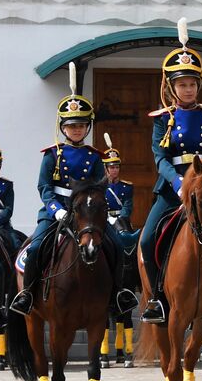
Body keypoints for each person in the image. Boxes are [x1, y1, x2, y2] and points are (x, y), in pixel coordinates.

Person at [11, 71, 135, 316]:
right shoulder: (52, 155)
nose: (76, 130)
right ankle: (27, 294)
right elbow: (44, 188)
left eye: (81, 125)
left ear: (87, 127)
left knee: (117, 246)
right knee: (35, 248)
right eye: (71, 125)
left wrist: (107, 214)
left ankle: (117, 293)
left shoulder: (94, 156)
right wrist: (56, 211)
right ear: (63, 128)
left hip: (88, 213)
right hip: (56, 211)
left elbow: (102, 188)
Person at [137, 22, 202, 325]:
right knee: (148, 239)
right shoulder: (163, 119)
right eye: (182, 84)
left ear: (198, 86)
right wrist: (178, 183)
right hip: (172, 189)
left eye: (192, 83)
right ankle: (155, 299)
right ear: (171, 88)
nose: (187, 89)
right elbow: (159, 157)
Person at [100, 135, 135, 231]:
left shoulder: (127, 187)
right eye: (112, 167)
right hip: (104, 221)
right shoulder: (100, 187)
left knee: (129, 241)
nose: (115, 170)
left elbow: (127, 207)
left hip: (122, 221)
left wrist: (119, 221)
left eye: (117, 167)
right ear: (105, 168)